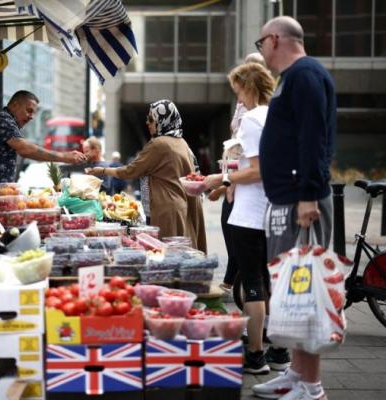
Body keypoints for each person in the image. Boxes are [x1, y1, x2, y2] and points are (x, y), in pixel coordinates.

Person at [251, 16, 336, 400]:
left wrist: (306, 195)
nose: (260, 52)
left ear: (273, 40)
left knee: (304, 292)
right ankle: (297, 375)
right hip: (288, 198)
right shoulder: (297, 76)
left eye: (260, 43)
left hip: (300, 199)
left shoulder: (304, 75)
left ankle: (311, 385)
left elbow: (314, 137)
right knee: (290, 290)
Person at [204, 62, 275, 375]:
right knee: (266, 280)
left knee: (253, 285)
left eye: (238, 90)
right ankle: (277, 349)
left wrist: (218, 181)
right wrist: (223, 181)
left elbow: (258, 170)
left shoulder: (250, 119)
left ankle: (256, 354)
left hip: (249, 213)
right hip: (271, 211)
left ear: (247, 86)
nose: (238, 98)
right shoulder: (275, 115)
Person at [0, 90, 86, 226]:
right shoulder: (1, 119)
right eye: (29, 110)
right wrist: (65, 156)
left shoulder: (6, 120)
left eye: (33, 113)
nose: (31, 117)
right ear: (14, 105)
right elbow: (25, 149)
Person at [85, 100, 207, 251]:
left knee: (163, 256)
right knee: (176, 255)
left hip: (165, 209)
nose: (147, 123)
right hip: (179, 206)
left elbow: (130, 171)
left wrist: (102, 170)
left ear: (162, 121)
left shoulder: (159, 144)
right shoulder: (181, 142)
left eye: (151, 119)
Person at [209, 52, 267, 295]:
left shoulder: (253, 117)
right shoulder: (249, 110)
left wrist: (222, 181)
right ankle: (239, 283)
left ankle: (238, 283)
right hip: (248, 192)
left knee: (250, 260)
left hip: (250, 197)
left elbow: (254, 167)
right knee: (256, 266)